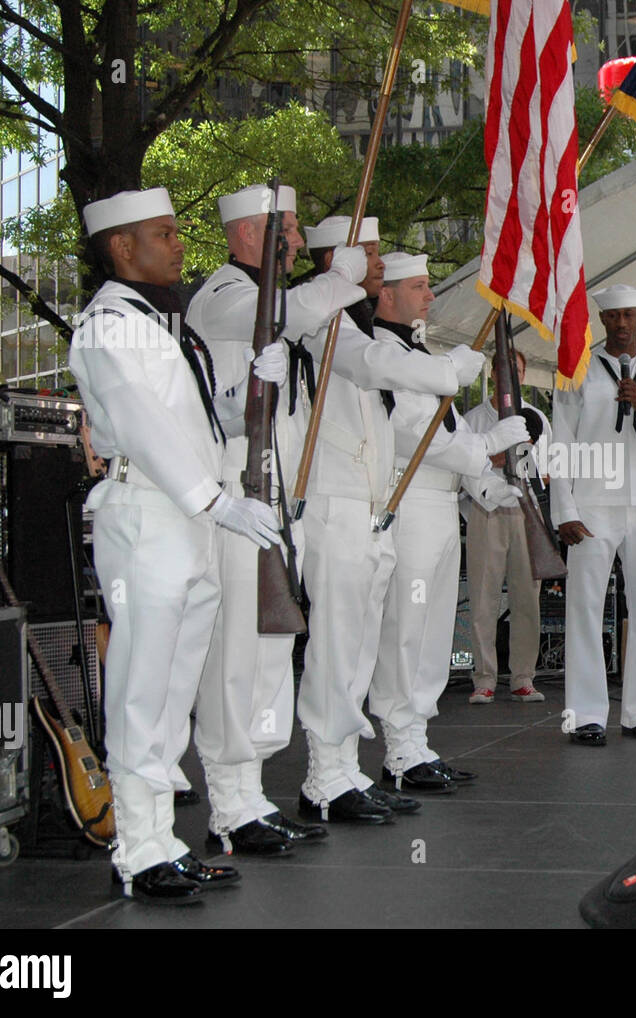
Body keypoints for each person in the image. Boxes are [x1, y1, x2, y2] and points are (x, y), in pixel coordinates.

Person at [70, 187, 286, 903]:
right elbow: (143, 428)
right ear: (122, 248)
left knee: (172, 691)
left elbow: (193, 421)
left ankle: (162, 838)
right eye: (163, 233)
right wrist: (219, 503)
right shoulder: (110, 325)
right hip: (149, 513)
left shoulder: (160, 324)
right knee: (143, 689)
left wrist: (245, 393)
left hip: (184, 520)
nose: (179, 243)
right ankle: (136, 848)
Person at [184, 184, 374, 854]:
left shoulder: (267, 299)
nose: (297, 240)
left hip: (275, 504)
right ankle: (228, 805)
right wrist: (341, 276)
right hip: (233, 501)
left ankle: (252, 794)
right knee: (236, 652)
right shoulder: (225, 296)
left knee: (269, 650)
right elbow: (289, 315)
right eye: (286, 228)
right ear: (246, 236)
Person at [292, 221, 492, 819]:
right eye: (369, 254)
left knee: (359, 648)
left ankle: (348, 768)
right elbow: (378, 371)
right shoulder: (326, 330)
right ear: (338, 259)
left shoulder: (350, 330)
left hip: (372, 505)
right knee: (344, 645)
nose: (376, 266)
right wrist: (450, 372)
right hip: (337, 502)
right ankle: (326, 777)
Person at [370, 252, 528, 791]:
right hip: (408, 503)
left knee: (436, 632)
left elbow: (447, 429)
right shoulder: (385, 357)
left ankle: (415, 740)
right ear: (386, 295)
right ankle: (398, 746)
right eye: (418, 287)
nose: (430, 296)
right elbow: (414, 433)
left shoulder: (421, 354)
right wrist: (485, 449)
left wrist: (486, 480)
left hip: (440, 504)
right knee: (407, 630)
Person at [551, 283, 636, 746]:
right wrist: (563, 509)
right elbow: (561, 444)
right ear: (603, 320)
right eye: (614, 317)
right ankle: (587, 714)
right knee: (585, 607)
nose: (623, 324)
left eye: (630, 315)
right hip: (592, 500)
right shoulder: (576, 370)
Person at [462, 349, 551, 705]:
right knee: (484, 595)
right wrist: (495, 458)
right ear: (492, 374)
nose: (508, 376)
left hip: (527, 509)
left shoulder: (537, 417)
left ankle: (522, 676)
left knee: (527, 595)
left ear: (523, 376)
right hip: (487, 509)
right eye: (501, 369)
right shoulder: (473, 419)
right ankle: (483, 677)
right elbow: (462, 468)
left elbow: (548, 468)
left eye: (515, 370)